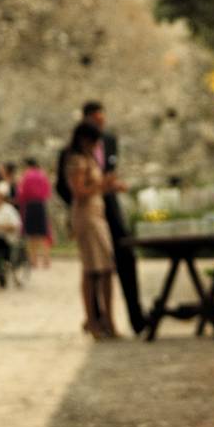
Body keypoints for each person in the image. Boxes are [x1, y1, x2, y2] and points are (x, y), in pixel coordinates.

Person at [82, 101, 146, 334]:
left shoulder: (109, 141)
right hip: (89, 213)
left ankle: (136, 317)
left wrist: (111, 187)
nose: (101, 124)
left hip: (111, 210)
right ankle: (97, 319)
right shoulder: (75, 150)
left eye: (102, 120)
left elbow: (109, 172)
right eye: (96, 120)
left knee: (125, 258)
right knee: (96, 268)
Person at [66, 122, 117, 338]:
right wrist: (101, 185)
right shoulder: (77, 161)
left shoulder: (89, 159)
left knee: (105, 268)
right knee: (92, 269)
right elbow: (78, 192)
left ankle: (107, 319)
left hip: (97, 214)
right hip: (87, 217)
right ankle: (94, 321)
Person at [17, 158, 52, 268]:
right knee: (43, 233)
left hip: (30, 205)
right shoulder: (43, 175)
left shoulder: (26, 176)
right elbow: (48, 191)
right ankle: (46, 259)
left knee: (31, 234)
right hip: (41, 204)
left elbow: (22, 193)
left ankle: (33, 260)